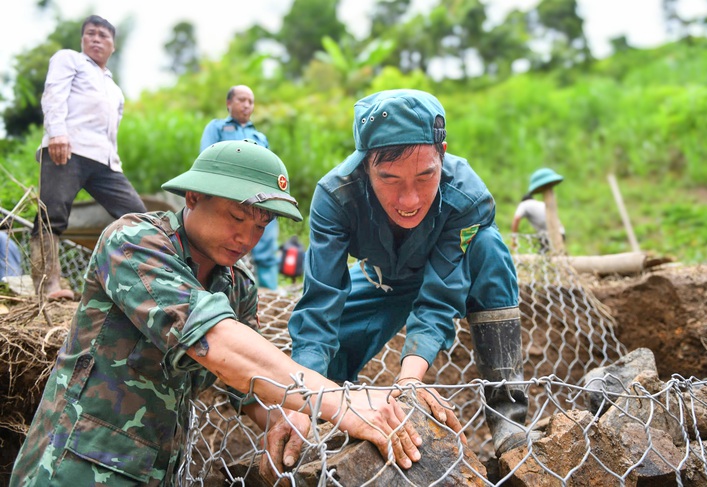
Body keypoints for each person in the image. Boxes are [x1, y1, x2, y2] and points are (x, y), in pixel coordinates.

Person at [10, 140, 422, 486]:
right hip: (74, 465)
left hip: (157, 471)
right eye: (237, 217)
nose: (246, 237)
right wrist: (343, 402)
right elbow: (219, 345)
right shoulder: (134, 242)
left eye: (260, 226)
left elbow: (247, 385)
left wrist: (285, 421)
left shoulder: (237, 285)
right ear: (193, 198)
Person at [270, 89, 528, 463]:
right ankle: (334, 425)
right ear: (364, 166)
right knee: (328, 365)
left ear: (442, 154)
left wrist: (409, 381)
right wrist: (303, 398)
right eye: (389, 179)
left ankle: (509, 418)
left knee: (489, 248)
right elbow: (321, 301)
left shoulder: (468, 197)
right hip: (381, 280)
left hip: (449, 274)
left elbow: (440, 296)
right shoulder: (335, 196)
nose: (409, 200)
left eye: (426, 176)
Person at [30, 14, 147, 301]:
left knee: (138, 215)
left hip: (104, 161)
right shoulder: (69, 59)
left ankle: (141, 283)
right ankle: (48, 286)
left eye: (103, 35)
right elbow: (53, 94)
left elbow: (112, 132)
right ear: (83, 39)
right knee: (52, 214)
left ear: (113, 46)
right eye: (91, 34)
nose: (96, 39)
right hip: (67, 149)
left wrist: (115, 162)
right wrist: (57, 133)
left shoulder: (114, 88)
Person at [200, 85, 280, 290]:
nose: (246, 105)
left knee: (267, 242)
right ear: (229, 103)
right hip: (228, 197)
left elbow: (270, 170)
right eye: (241, 100)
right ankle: (222, 288)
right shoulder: (217, 128)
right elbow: (207, 158)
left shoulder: (260, 137)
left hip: (260, 198)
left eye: (250, 101)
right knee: (226, 244)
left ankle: (269, 292)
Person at [510, 169, 565, 253]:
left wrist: (513, 240)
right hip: (560, 233)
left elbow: (516, 219)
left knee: (543, 260)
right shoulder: (540, 203)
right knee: (555, 257)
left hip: (548, 235)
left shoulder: (524, 204)